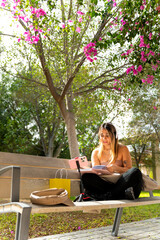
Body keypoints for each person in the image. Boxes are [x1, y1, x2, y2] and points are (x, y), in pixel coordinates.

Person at [81, 122, 144, 200]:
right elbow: (95, 172)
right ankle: (117, 195)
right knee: (86, 177)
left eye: (107, 135)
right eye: (102, 135)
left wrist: (116, 168)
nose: (104, 138)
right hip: (106, 184)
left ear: (114, 136)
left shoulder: (123, 149)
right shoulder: (96, 152)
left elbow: (129, 169)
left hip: (121, 183)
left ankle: (107, 196)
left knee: (135, 171)